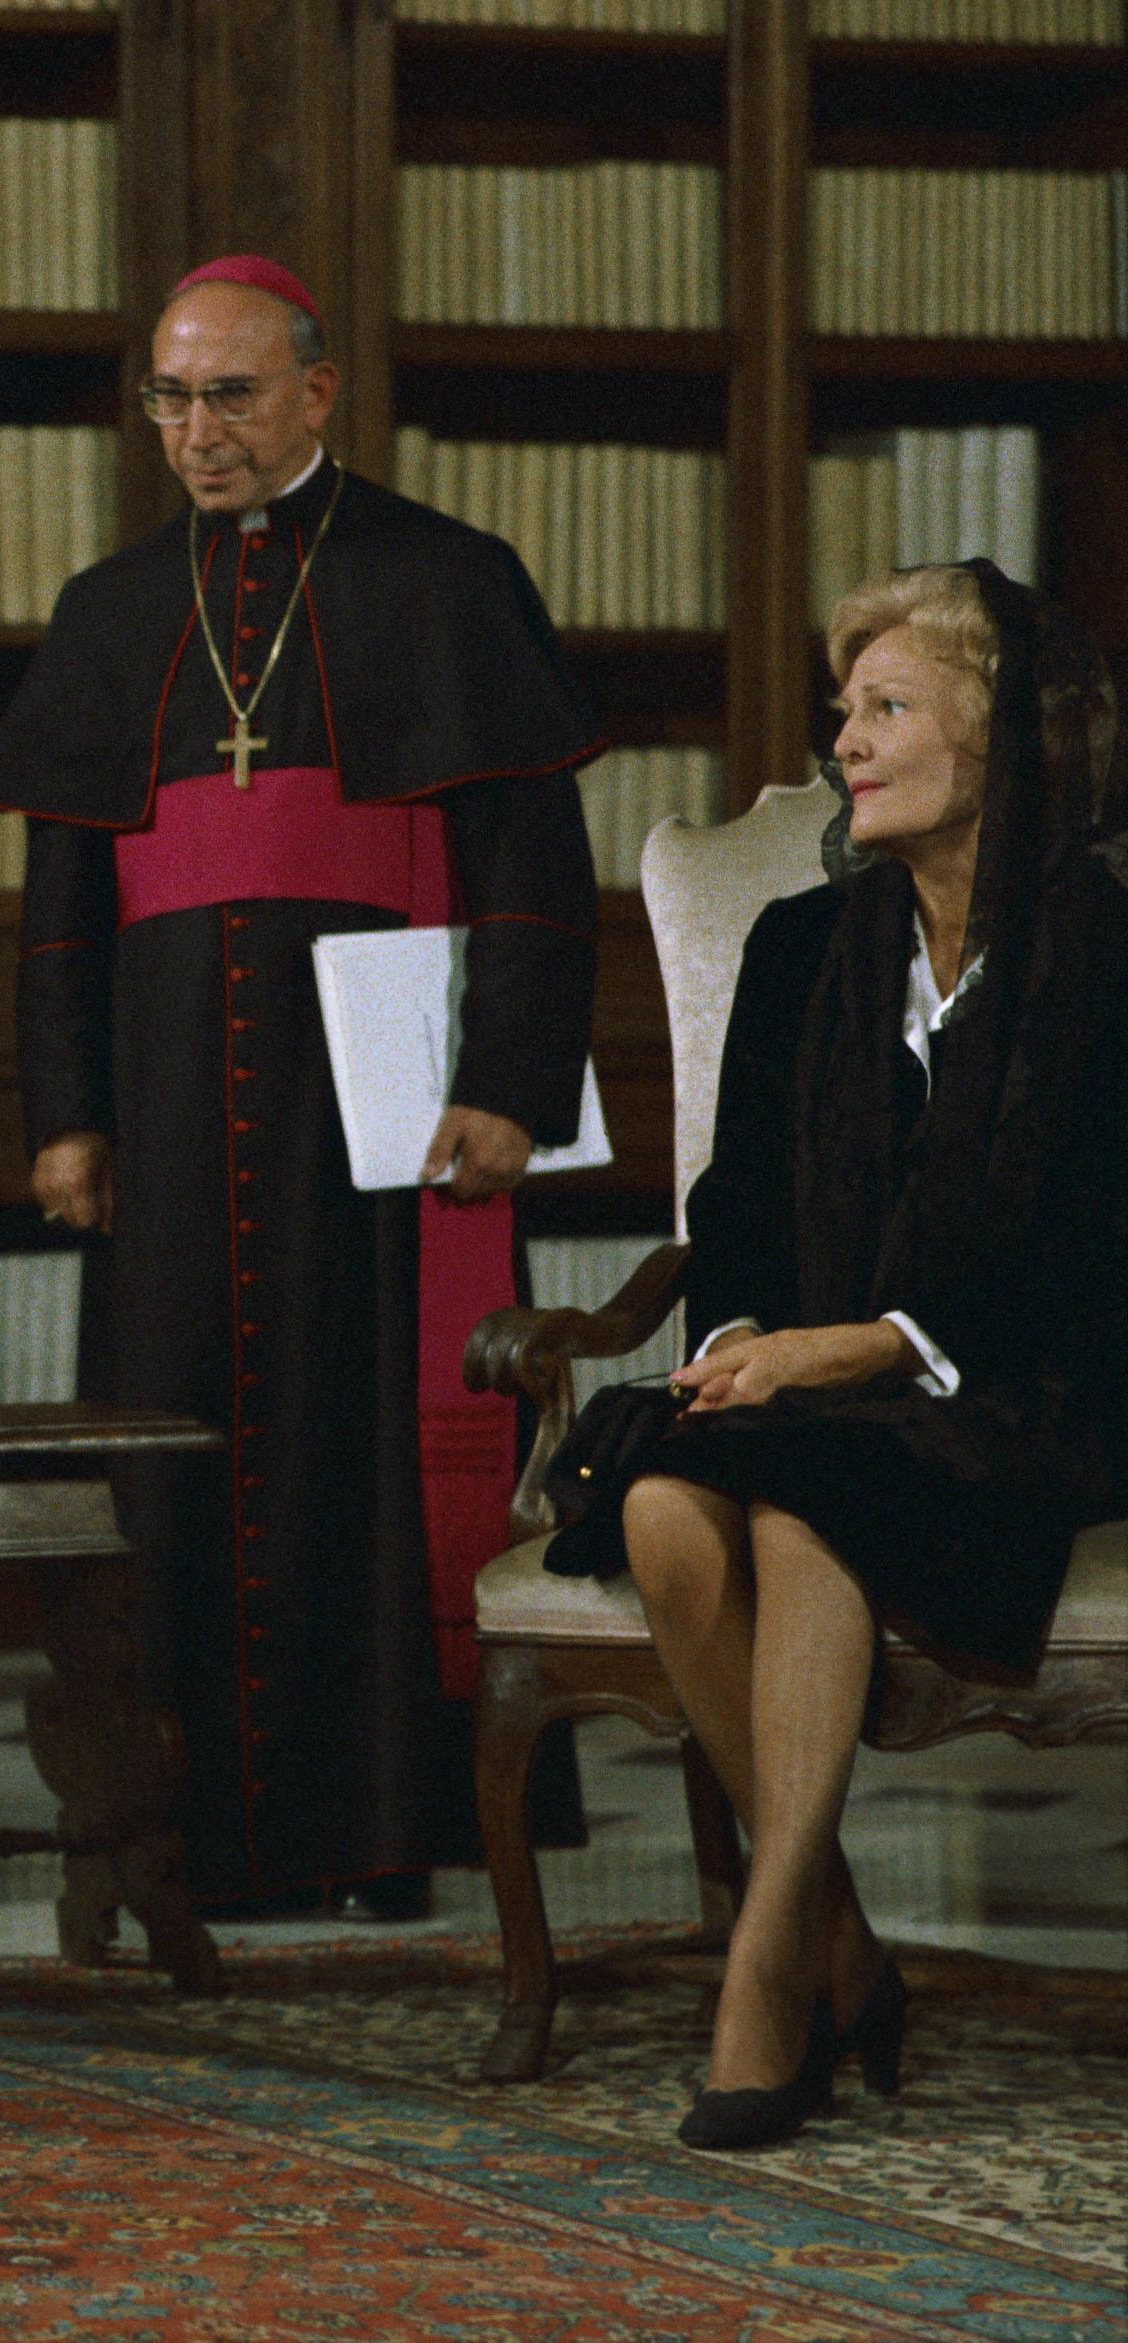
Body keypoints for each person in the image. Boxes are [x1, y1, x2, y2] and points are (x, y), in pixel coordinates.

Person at [0, 256, 604, 1921]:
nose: (197, 432)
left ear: (316, 394)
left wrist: (508, 1086)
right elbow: (55, 907)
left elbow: (532, 862)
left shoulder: (445, 578)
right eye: (170, 399)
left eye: (231, 395)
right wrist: (63, 1114)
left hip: (374, 1107)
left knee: (366, 1448)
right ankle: (179, 1829)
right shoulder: (111, 609)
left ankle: (378, 1825)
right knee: (167, 1444)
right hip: (167, 1104)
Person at [566, 561, 1122, 2148]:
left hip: (1035, 1390)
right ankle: (840, 1942)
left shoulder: (1103, 956)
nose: (844, 747)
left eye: (884, 710)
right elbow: (728, 1207)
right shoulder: (804, 945)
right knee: (671, 1503)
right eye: (841, 714)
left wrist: (856, 1345)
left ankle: (763, 1967)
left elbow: (1096, 1261)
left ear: (999, 741)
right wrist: (749, 1339)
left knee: (807, 1506)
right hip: (816, 1374)